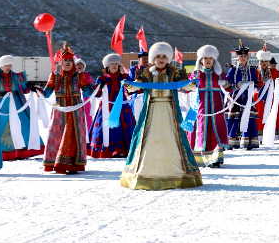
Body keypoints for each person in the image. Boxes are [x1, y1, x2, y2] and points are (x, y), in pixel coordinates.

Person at [121, 42, 202, 190]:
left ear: (168, 58)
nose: (161, 59)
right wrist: (128, 86)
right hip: (151, 110)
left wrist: (192, 85)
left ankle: (177, 173)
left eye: (164, 56)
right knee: (149, 138)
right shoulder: (145, 72)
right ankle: (145, 173)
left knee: (171, 137)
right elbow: (137, 85)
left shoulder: (175, 72)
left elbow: (184, 86)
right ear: (153, 57)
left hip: (169, 110)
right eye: (158, 56)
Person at [42, 43, 89, 174]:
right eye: (65, 60)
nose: (68, 63)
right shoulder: (55, 76)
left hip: (75, 110)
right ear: (61, 62)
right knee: (58, 135)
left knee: (73, 135)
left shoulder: (79, 76)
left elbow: (87, 92)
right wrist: (38, 91)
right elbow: (47, 92)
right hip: (60, 110)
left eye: (70, 60)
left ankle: (73, 164)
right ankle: (56, 162)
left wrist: (99, 87)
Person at [0, 55, 43, 159]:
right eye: (6, 65)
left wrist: (32, 89)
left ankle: (24, 151)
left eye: (10, 65)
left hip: (17, 102)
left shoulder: (18, 76)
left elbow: (23, 89)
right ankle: (0, 151)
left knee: (23, 123)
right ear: (0, 66)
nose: (8, 67)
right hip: (2, 103)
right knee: (0, 124)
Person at [187, 45, 229, 167]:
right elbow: (187, 88)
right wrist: (186, 86)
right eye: (205, 58)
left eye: (210, 58)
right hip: (200, 107)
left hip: (217, 107)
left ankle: (216, 158)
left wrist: (226, 84)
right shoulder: (196, 73)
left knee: (216, 129)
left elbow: (230, 88)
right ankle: (200, 158)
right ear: (200, 60)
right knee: (202, 129)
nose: (208, 60)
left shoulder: (219, 74)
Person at [88, 53, 135, 158]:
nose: (114, 66)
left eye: (116, 64)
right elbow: (97, 94)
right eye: (111, 64)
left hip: (122, 107)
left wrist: (132, 84)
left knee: (123, 127)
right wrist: (99, 87)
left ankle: (121, 149)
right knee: (104, 127)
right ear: (107, 66)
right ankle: (105, 149)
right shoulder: (102, 79)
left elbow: (133, 90)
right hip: (106, 107)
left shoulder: (124, 77)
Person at [224, 41, 261, 150]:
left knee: (249, 118)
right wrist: (236, 86)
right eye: (241, 56)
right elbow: (227, 83)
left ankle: (248, 142)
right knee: (234, 119)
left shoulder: (252, 70)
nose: (243, 58)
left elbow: (256, 82)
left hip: (248, 98)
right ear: (238, 58)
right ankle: (231, 142)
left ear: (248, 57)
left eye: (245, 56)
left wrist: (255, 86)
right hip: (235, 98)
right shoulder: (233, 69)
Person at [255, 43, 279, 140]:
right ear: (259, 61)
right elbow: (254, 83)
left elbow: (278, 82)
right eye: (262, 61)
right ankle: (259, 134)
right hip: (258, 96)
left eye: (266, 61)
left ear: (268, 62)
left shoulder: (273, 72)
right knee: (259, 113)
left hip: (270, 95)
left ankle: (272, 134)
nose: (264, 63)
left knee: (273, 112)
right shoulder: (255, 71)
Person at [74, 57, 95, 133]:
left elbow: (90, 86)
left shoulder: (87, 75)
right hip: (75, 100)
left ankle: (89, 134)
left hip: (86, 99)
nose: (79, 66)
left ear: (84, 66)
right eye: (77, 64)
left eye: (81, 64)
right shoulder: (73, 76)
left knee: (87, 118)